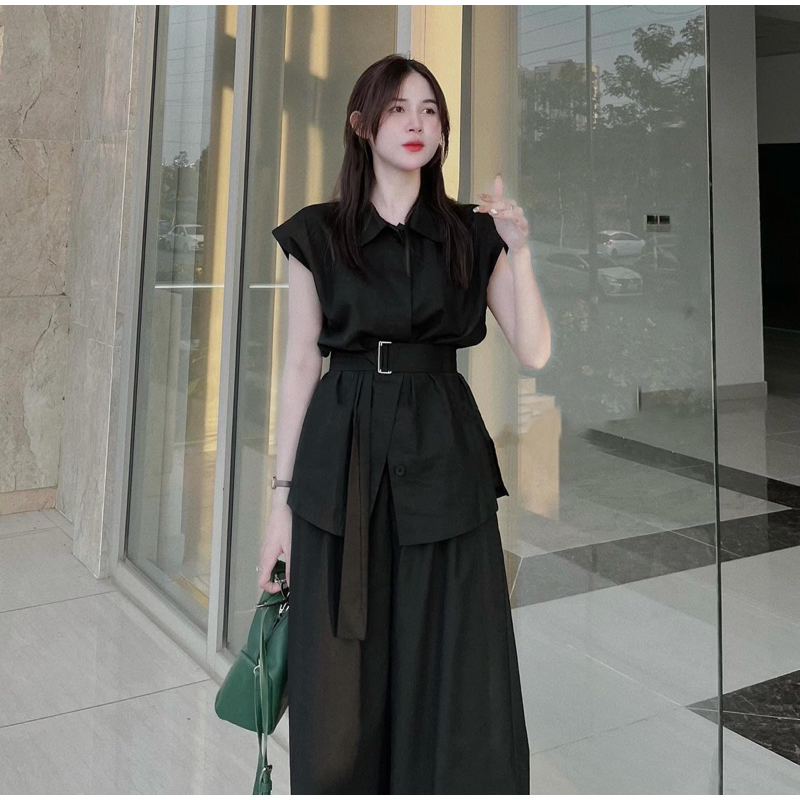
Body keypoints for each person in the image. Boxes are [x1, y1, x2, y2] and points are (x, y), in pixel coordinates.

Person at [258, 53, 551, 794]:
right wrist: (280, 504)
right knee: (341, 668)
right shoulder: (318, 234)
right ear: (362, 125)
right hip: (341, 455)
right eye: (397, 108)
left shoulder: (471, 233)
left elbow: (536, 350)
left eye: (429, 110)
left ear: (443, 131)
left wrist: (520, 254)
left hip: (441, 453)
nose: (416, 123)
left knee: (451, 653)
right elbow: (300, 363)